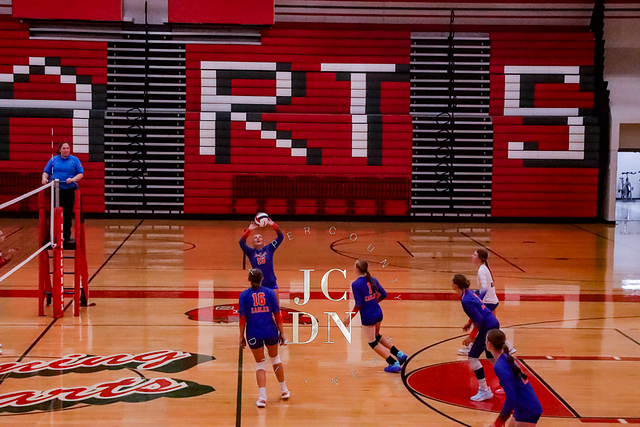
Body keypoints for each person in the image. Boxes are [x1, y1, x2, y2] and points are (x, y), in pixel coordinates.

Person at [343, 259, 408, 373]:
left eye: (354, 266)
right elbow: (384, 294)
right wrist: (373, 302)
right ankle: (399, 354)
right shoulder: (373, 279)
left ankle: (393, 363)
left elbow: (358, 305)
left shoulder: (356, 284)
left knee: (372, 342)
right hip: (378, 312)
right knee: (377, 336)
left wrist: (349, 318)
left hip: (368, 316)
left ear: (357, 269)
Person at [239, 268, 290, 408]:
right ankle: (284, 390)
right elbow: (277, 314)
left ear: (249, 280)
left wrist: (241, 336)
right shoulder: (270, 293)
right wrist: (282, 333)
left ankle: (262, 398)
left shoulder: (244, 295)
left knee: (260, 364)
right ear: (262, 279)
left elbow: (242, 318)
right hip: (270, 330)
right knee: (275, 359)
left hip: (253, 332)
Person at [452, 273, 499, 401]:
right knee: (491, 358)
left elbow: (480, 319)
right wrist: (469, 322)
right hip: (493, 322)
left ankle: (484, 390)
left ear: (455, 285)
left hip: (487, 327)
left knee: (473, 357)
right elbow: (478, 306)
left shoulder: (465, 300)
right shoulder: (470, 292)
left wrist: (471, 336)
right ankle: (508, 384)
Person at [459, 249, 515, 356]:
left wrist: (479, 300)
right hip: (492, 299)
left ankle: (472, 344)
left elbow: (484, 288)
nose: (472, 256)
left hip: (488, 301)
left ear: (480, 258)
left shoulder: (482, 270)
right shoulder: (484, 268)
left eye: (474, 255)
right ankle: (507, 345)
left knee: (480, 323)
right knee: (492, 326)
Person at [486, 329, 543, 426]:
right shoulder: (506, 358)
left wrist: (498, 422)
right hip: (523, 406)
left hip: (526, 409)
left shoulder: (500, 366)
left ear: (489, 344)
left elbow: (510, 396)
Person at [41, 141, 84, 247]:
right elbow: (46, 172)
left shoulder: (74, 160)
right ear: (60, 149)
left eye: (67, 148)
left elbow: (80, 174)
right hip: (56, 190)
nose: (66, 150)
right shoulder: (53, 160)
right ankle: (53, 235)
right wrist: (44, 178)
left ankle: (66, 236)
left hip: (69, 190)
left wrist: (73, 179)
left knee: (67, 213)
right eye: (64, 148)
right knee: (54, 213)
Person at [239, 218, 284, 301]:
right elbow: (241, 242)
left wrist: (274, 225)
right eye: (255, 238)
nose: (258, 238)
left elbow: (280, 237)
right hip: (258, 284)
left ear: (263, 241)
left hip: (271, 283)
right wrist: (249, 230)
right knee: (261, 306)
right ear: (253, 242)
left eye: (260, 237)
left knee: (275, 306)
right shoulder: (250, 252)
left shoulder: (269, 248)